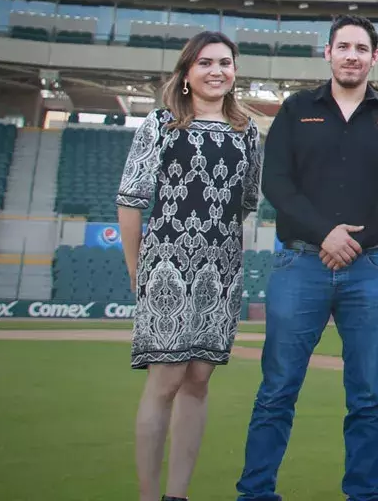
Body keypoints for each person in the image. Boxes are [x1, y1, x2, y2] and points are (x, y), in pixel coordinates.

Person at [237, 15, 378, 501]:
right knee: (277, 389)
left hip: (371, 267)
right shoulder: (297, 109)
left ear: (375, 57)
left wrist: (356, 242)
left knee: (367, 397)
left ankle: (364, 494)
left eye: (362, 48)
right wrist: (327, 234)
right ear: (328, 52)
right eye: (344, 47)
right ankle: (255, 493)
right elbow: (276, 182)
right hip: (301, 265)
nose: (352, 56)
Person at [117, 31, 264, 501]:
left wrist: (227, 265)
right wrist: (137, 270)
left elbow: (243, 204)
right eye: (205, 63)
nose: (216, 71)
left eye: (225, 62)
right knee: (166, 378)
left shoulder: (247, 131)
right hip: (166, 266)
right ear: (186, 72)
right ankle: (147, 494)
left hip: (219, 269)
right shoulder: (160, 124)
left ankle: (178, 495)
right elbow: (130, 200)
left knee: (199, 379)